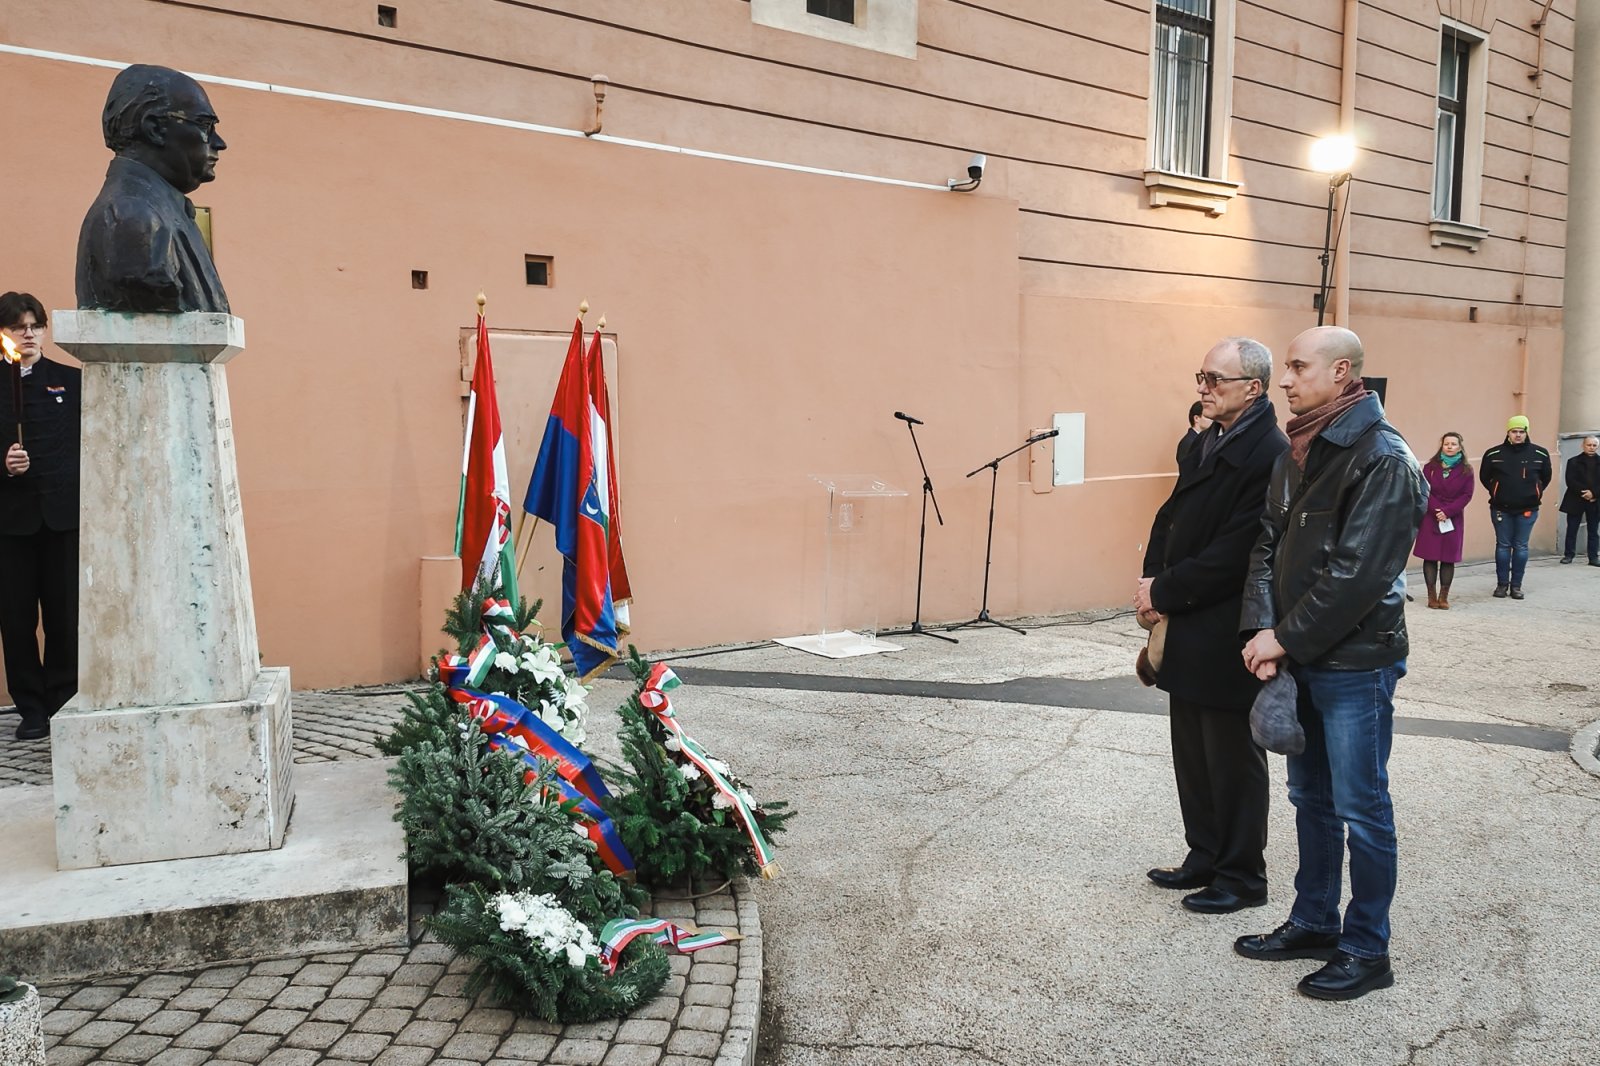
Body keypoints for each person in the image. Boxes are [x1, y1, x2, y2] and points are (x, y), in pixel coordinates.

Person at [1235, 326, 1427, 1002]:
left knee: (1361, 807)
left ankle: (1367, 950)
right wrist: (1262, 631)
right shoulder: (1299, 447)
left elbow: (1358, 574)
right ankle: (1315, 921)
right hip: (1299, 653)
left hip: (1356, 662)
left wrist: (1282, 639)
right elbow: (1266, 544)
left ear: (1342, 371)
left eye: (1297, 366)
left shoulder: (1383, 457)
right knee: (1310, 799)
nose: (1285, 380)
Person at [1135, 338, 1288, 914]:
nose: (1203, 387)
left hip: (1227, 624)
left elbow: (1237, 550)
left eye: (1215, 378)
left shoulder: (1268, 451)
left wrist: (1165, 589)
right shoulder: (1209, 438)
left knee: (1232, 759)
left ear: (1253, 388)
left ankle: (1242, 875)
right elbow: (1171, 514)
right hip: (1189, 618)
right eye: (1201, 376)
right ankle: (1204, 854)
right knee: (1193, 752)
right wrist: (1152, 580)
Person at [76, 64, 230, 313]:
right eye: (205, 126)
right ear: (155, 129)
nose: (219, 143)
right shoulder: (134, 218)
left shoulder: (163, 212)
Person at [0, 293, 82, 741]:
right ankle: (31, 708)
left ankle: (63, 699)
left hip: (62, 520)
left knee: (64, 618)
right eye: (18, 327)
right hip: (10, 526)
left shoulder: (71, 381)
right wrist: (3, 464)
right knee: (16, 621)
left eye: (35, 326)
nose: (28, 334)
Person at [1479, 416, 1552, 599]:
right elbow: (1484, 477)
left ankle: (1516, 586)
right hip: (1501, 508)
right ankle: (1502, 585)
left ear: (1526, 433)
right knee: (1503, 546)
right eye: (1514, 431)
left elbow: (1546, 478)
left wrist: (1534, 492)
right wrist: (1497, 491)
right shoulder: (1493, 454)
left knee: (1521, 546)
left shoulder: (1540, 454)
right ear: (1508, 433)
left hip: (1528, 509)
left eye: (1521, 431)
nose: (1518, 435)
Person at [1412, 432, 1474, 608]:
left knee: (1448, 558)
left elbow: (1467, 495)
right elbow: (1424, 489)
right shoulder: (1430, 467)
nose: (1449, 447)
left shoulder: (1466, 470)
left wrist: (1448, 511)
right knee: (1430, 556)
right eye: (1446, 444)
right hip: (1431, 516)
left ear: (1460, 447)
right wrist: (1436, 510)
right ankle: (1431, 596)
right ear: (1442, 446)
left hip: (1453, 518)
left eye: (1453, 444)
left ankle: (1443, 597)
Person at [1559, 435, 1599, 565]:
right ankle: (1569, 555)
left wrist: (1593, 494)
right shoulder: (1573, 461)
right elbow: (1570, 480)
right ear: (1583, 445)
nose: (1591, 447)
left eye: (1594, 445)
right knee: (1572, 529)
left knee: (1593, 531)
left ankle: (1593, 557)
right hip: (1575, 499)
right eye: (1589, 445)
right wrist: (1585, 493)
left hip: (1595, 501)